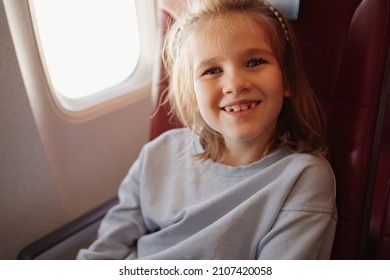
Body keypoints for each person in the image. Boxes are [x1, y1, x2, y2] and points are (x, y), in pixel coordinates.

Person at [77, 0, 337, 260]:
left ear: (287, 80)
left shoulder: (302, 178)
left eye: (255, 62)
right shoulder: (158, 154)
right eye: (212, 70)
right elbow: (104, 252)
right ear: (192, 95)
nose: (234, 84)